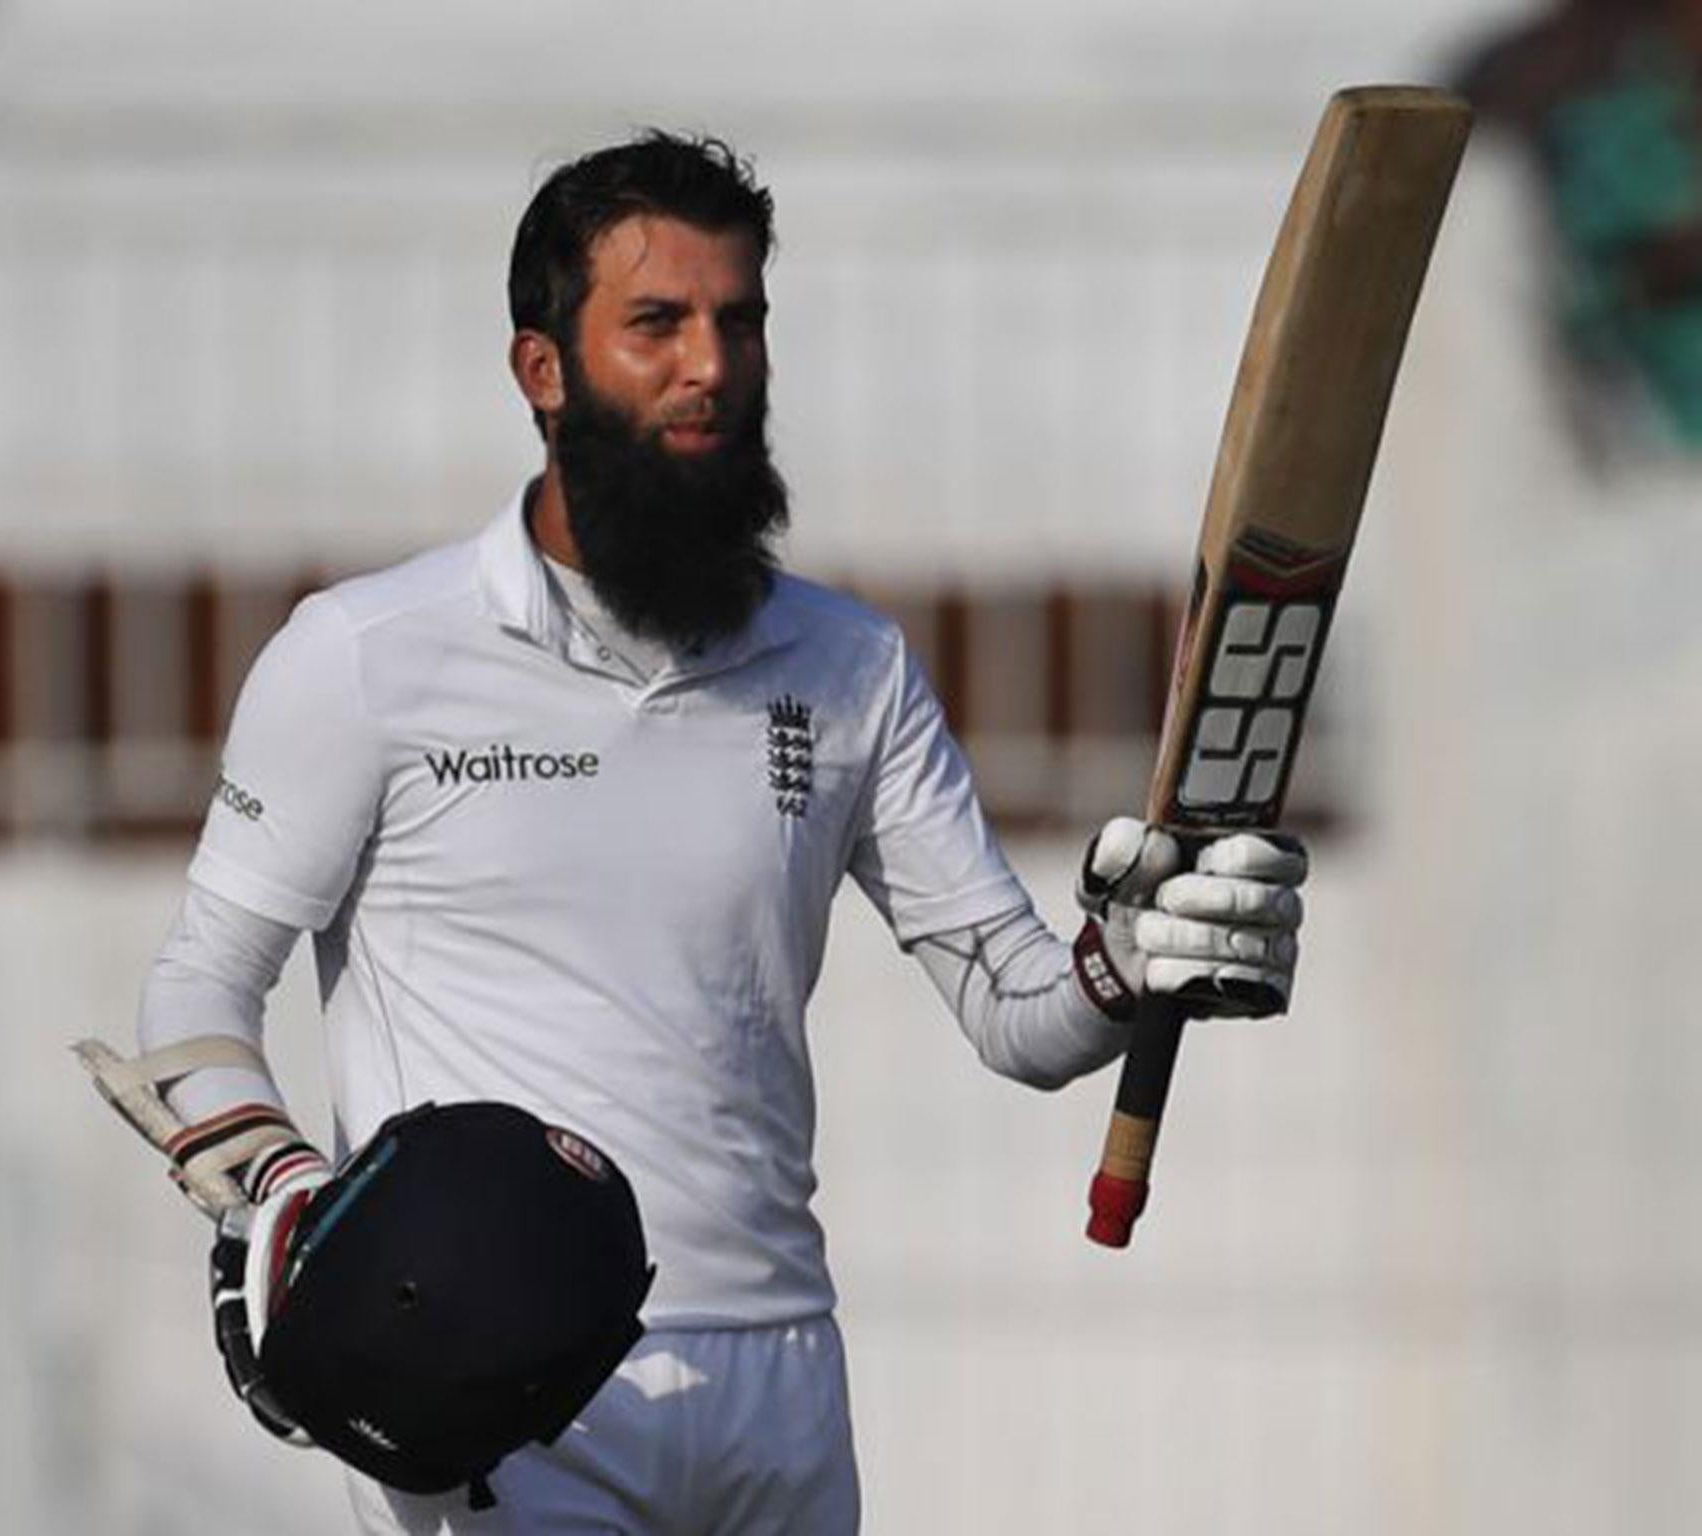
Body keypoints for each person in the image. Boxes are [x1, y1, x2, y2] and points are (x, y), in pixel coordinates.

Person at [134, 130, 1307, 1534]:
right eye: (657, 325)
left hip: (785, 1383)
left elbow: (1017, 1014)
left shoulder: (849, 665)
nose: (711, 366)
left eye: (738, 322)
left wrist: (1131, 960)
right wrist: (283, 1199)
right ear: (543, 370)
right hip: (510, 1403)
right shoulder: (368, 656)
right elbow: (203, 977)